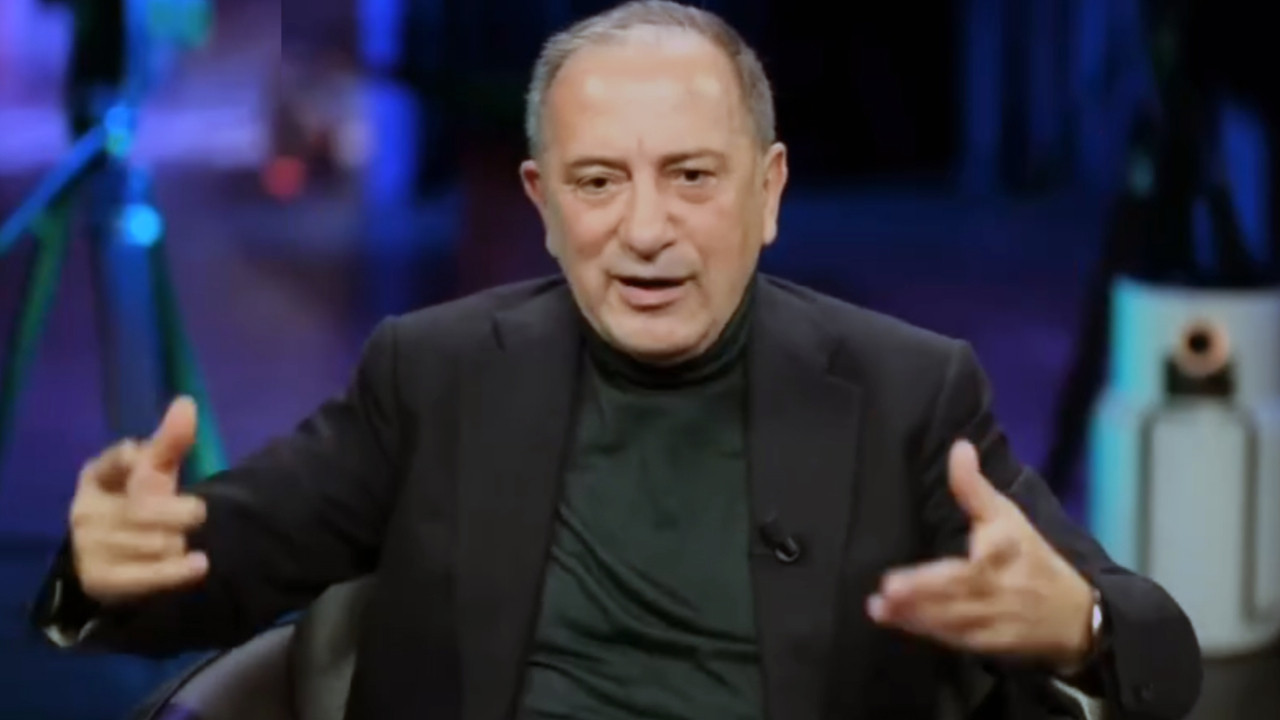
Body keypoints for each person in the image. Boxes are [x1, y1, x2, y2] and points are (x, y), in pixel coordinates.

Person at [32, 2, 1201, 719]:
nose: (645, 230)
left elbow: (1160, 649)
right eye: (598, 182)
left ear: (767, 192)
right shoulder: (434, 374)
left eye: (691, 177)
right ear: (543, 204)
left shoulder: (906, 393)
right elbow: (216, 562)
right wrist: (109, 562)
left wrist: (1082, 627)